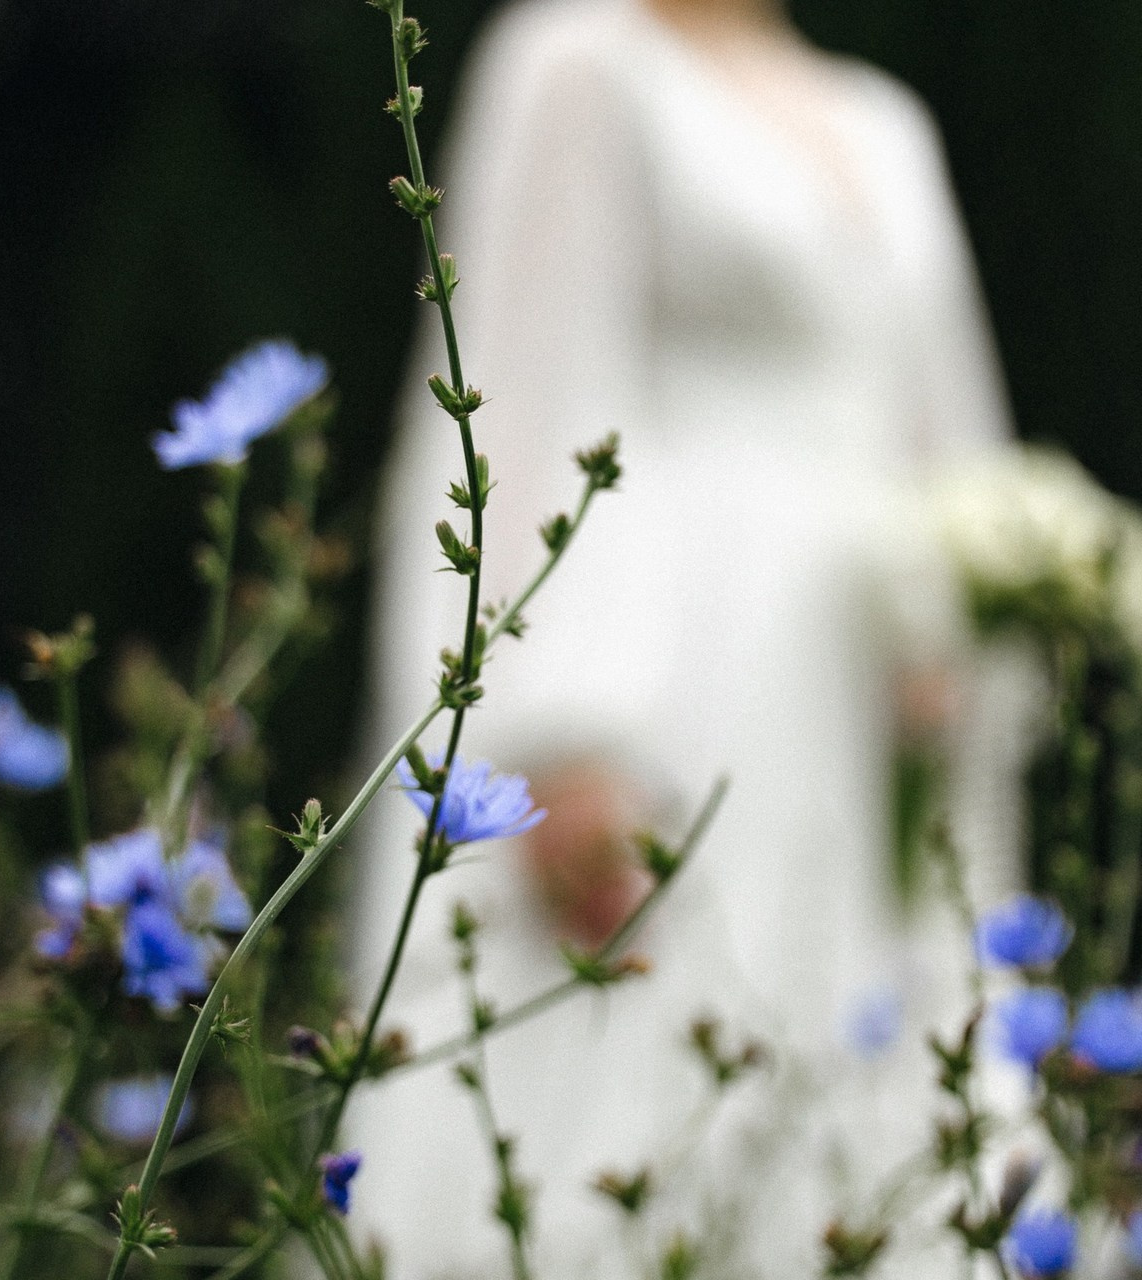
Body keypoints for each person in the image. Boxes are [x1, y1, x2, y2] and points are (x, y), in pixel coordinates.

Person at [347, 0, 1017, 1274]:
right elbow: (514, 401)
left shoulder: (882, 119)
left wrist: (969, 615)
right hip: (677, 685)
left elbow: (943, 417)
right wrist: (543, 732)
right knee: (638, 1103)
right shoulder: (580, 60)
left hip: (859, 715)